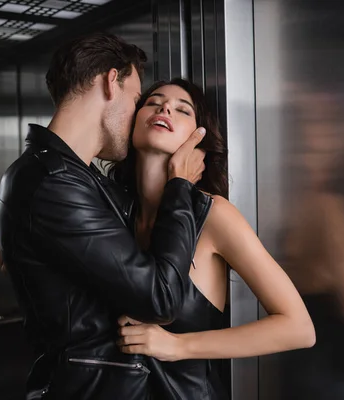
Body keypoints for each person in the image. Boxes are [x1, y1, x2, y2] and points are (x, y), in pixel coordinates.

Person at [0, 33, 209, 400]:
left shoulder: (77, 177)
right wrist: (179, 184)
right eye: (138, 98)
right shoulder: (53, 181)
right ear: (112, 82)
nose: (142, 113)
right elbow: (160, 300)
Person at [111, 79, 316, 399]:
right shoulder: (112, 214)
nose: (164, 108)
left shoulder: (214, 215)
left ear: (199, 141)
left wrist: (179, 345)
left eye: (182, 109)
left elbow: (298, 328)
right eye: (153, 103)